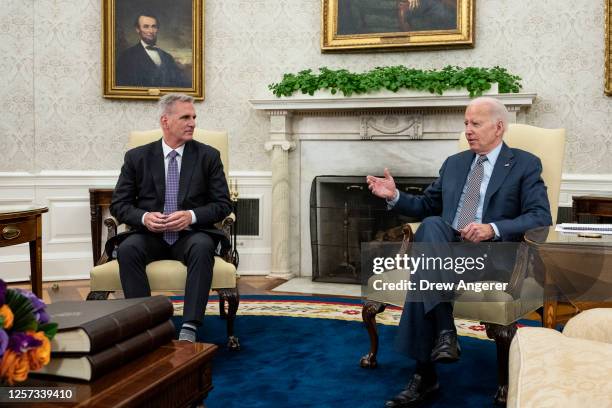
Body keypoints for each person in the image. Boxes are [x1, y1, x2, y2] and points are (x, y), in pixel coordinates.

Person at [366, 97, 552, 407]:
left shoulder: (524, 163)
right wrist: (395, 195)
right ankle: (444, 333)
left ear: (499, 127)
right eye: (466, 123)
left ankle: (425, 373)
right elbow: (426, 206)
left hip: (493, 255)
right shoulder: (455, 164)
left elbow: (540, 217)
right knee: (434, 225)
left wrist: (491, 227)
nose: (467, 130)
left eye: (475, 124)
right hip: (447, 251)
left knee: (424, 270)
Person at [110, 93, 232, 342]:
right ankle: (146, 323)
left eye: (194, 117)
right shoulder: (137, 157)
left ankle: (189, 326)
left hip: (191, 236)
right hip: (149, 236)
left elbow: (223, 204)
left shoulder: (208, 156)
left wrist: (191, 216)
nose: (192, 123)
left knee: (202, 246)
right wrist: (144, 217)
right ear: (165, 121)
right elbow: (119, 205)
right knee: (128, 249)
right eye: (185, 117)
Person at [116, 14, 189, 88]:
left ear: (157, 29)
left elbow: (179, 85)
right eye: (146, 27)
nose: (151, 31)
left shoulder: (168, 57)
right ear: (138, 29)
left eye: (154, 26)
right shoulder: (126, 56)